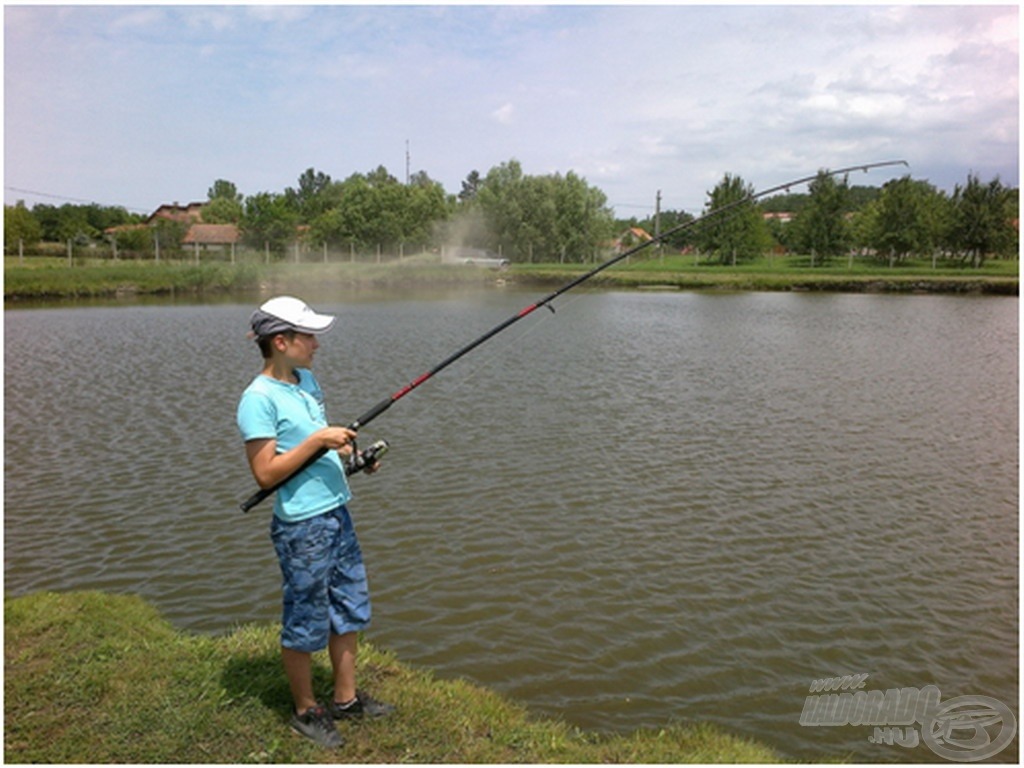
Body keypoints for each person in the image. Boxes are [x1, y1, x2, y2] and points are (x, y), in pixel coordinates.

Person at [236, 295, 393, 749]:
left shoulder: (305, 381)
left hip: (336, 513)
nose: (316, 344)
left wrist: (352, 455)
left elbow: (321, 446)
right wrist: (319, 438)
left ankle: (346, 700)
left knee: (348, 607)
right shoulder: (257, 400)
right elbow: (266, 472)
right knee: (306, 618)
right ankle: (306, 710)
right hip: (302, 527)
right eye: (309, 336)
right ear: (281, 342)